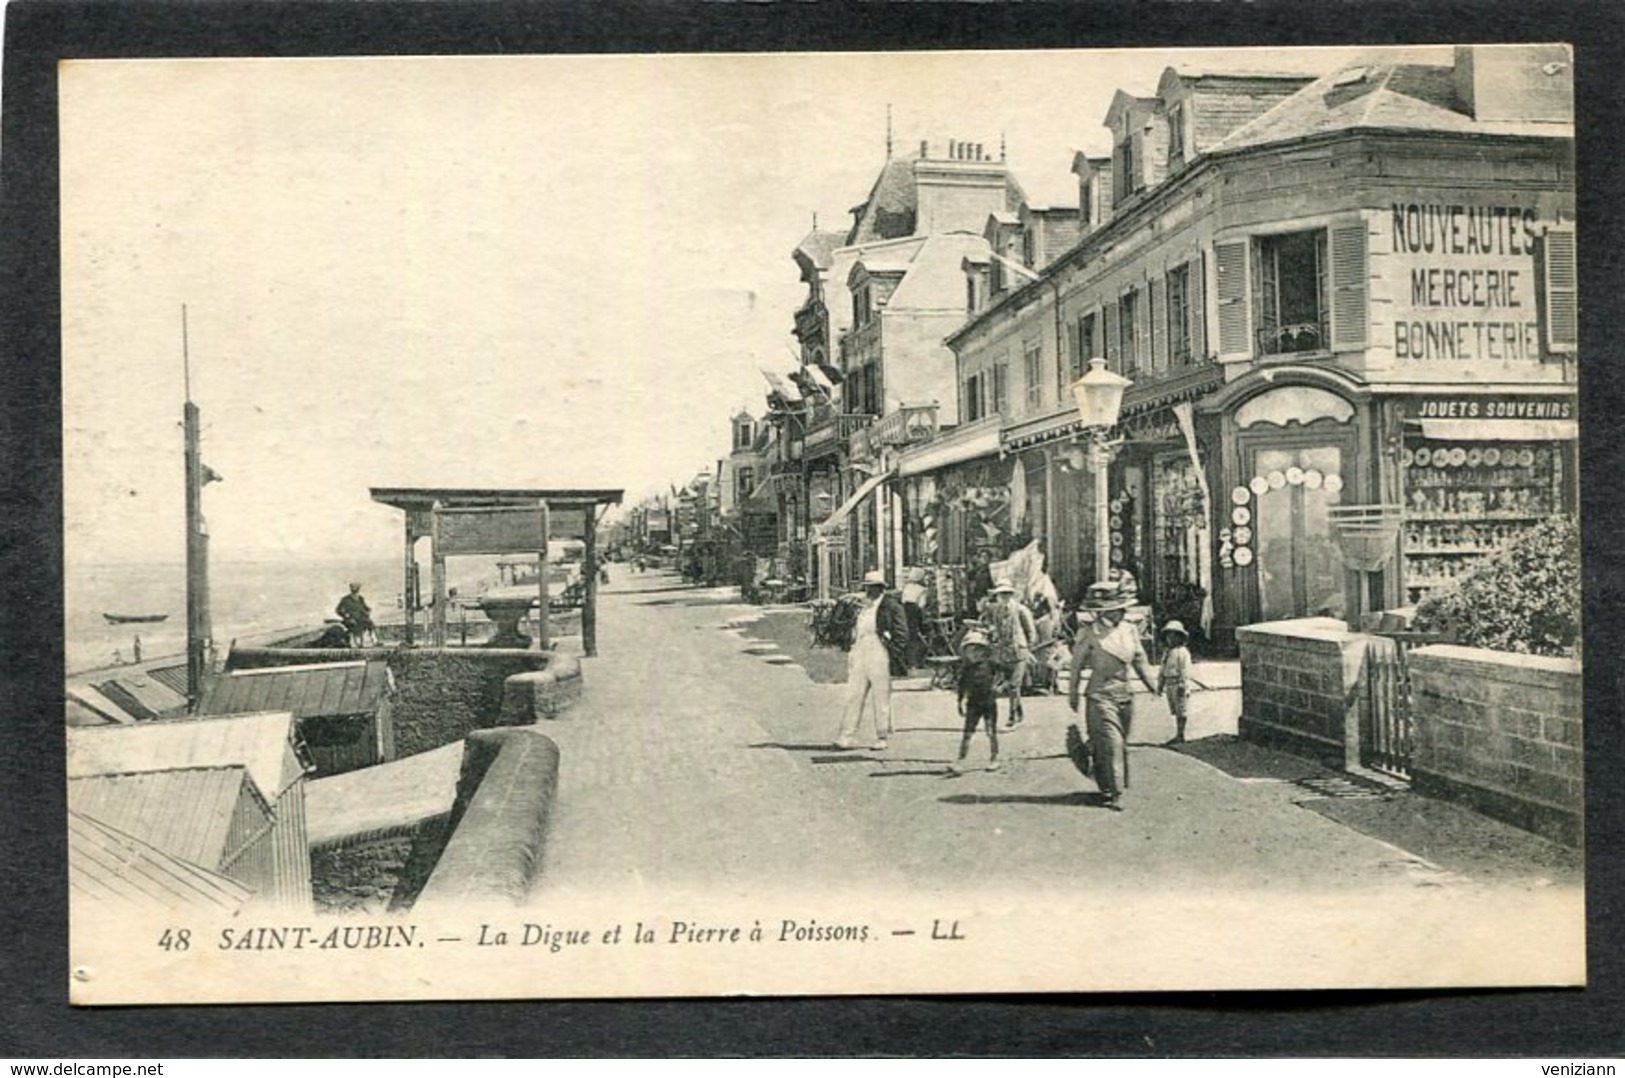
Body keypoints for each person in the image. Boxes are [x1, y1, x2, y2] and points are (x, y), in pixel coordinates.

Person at [1067, 578, 1157, 811]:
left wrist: (1152, 684)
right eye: (1117, 609)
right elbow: (1075, 666)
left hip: (1125, 695)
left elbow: (1139, 659)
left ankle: (1102, 775)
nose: (1122, 613)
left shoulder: (1129, 630)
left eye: (1122, 608)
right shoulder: (1089, 633)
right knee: (1111, 744)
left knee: (1118, 742)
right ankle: (1113, 792)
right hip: (1099, 695)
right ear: (1103, 611)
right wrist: (1073, 693)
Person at [835, 570, 908, 751]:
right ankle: (847, 735)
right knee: (854, 694)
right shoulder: (863, 607)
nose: (868, 592)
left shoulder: (891, 606)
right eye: (867, 588)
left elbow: (902, 632)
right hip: (860, 650)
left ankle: (881, 736)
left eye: (872, 588)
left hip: (879, 651)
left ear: (880, 588)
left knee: (881, 695)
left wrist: (892, 651)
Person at [982, 579, 1038, 729]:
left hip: (1019, 650)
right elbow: (994, 628)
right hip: (1004, 652)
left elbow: (1031, 632)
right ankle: (1019, 715)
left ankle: (1012, 718)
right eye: (1001, 594)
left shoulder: (1021, 610)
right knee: (1013, 687)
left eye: (1007, 594)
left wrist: (1029, 649)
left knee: (1014, 684)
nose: (1004, 597)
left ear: (1011, 595)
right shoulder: (996, 611)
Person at [950, 629, 1001, 773]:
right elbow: (961, 687)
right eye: (969, 651)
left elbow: (1007, 672)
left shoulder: (990, 664)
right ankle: (960, 760)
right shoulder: (966, 670)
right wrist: (959, 702)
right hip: (972, 704)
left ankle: (994, 758)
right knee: (967, 734)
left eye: (977, 650)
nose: (973, 654)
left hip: (989, 703)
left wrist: (1000, 686)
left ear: (983, 651)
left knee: (991, 732)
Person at [1157, 620, 1195, 744]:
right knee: (1174, 709)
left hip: (1179, 683)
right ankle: (1178, 733)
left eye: (1174, 635)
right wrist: (1160, 684)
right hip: (1169, 683)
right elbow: (1162, 669)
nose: (1171, 639)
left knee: (1181, 709)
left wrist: (1183, 684)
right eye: (1168, 636)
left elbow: (1185, 670)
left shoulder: (1182, 652)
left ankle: (1180, 734)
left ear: (1180, 637)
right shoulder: (1167, 652)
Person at [336, 582, 376, 647]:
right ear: (351, 589)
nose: (354, 589)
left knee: (370, 623)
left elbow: (365, 607)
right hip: (350, 618)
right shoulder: (345, 599)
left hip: (361, 617)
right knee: (354, 624)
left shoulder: (360, 599)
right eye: (353, 588)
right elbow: (338, 610)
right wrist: (345, 615)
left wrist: (368, 610)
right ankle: (356, 642)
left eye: (356, 588)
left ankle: (372, 641)